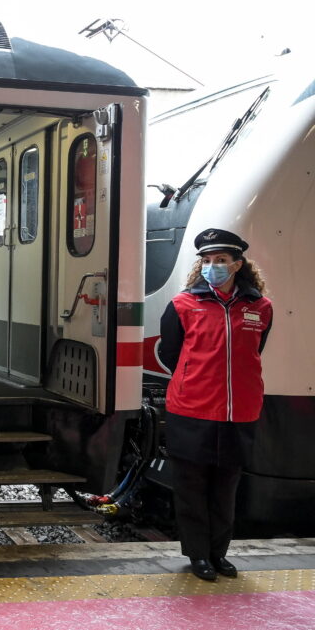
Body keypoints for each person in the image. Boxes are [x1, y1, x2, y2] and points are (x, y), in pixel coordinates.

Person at [158, 228, 273, 581]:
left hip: (239, 411)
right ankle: (198, 555)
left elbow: (255, 352)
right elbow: (170, 353)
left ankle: (219, 553)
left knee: (226, 486)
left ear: (238, 264)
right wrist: (197, 377)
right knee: (192, 486)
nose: (213, 267)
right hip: (191, 410)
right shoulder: (183, 305)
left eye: (221, 260)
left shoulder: (260, 307)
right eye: (207, 261)